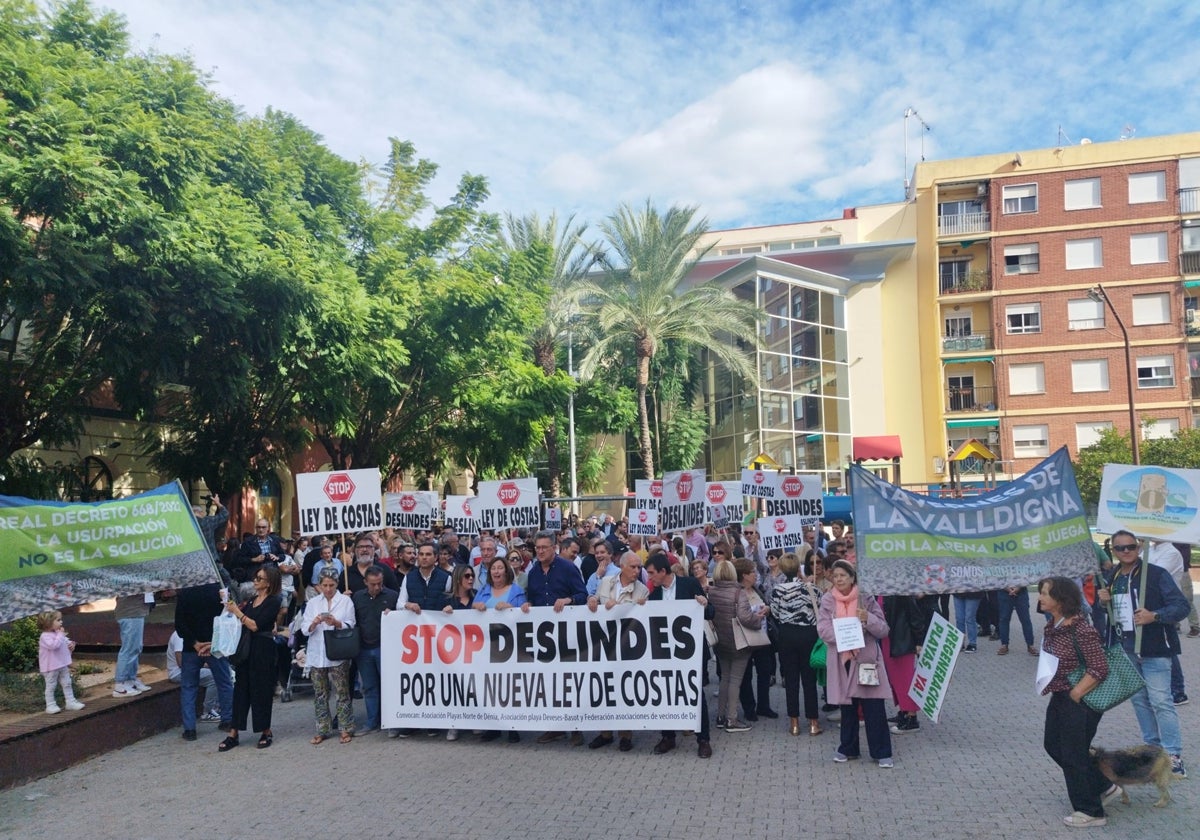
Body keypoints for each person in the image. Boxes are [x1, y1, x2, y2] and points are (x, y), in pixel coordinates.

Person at [1097, 530, 1189, 778]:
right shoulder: (1111, 576)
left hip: (1155, 648)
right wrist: (1101, 601)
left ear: (1138, 547)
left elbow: (1182, 606)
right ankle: (1152, 752)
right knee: (1140, 701)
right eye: (1120, 548)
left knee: (1161, 701)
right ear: (1113, 551)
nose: (1126, 551)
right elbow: (1110, 614)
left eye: (1130, 547)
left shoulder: (1155, 574)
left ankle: (1172, 756)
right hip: (1126, 648)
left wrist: (1154, 616)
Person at [1038, 576, 1119, 828]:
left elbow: (1099, 667)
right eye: (1041, 592)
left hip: (1079, 700)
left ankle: (1090, 811)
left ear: (1062, 600)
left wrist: (1076, 694)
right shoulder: (1054, 625)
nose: (1040, 597)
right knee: (1053, 744)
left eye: (1045, 594)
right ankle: (1103, 786)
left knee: (1073, 754)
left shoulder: (1081, 628)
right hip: (1059, 695)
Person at [817, 560, 894, 768]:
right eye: (836, 575)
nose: (839, 579)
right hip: (842, 661)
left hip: (865, 660)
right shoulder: (827, 600)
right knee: (847, 707)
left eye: (843, 575)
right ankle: (848, 748)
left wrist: (867, 617)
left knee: (873, 707)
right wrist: (842, 635)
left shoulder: (865, 598)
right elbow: (822, 629)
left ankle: (882, 752)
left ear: (852, 578)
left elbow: (883, 629)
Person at [521, 529, 587, 745]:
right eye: (537, 548)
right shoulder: (533, 573)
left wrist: (569, 600)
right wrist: (528, 605)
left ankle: (576, 728)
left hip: (567, 634)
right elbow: (534, 598)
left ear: (554, 548)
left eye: (543, 548)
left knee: (569, 681)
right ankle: (554, 727)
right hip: (544, 637)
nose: (539, 552)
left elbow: (583, 595)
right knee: (548, 682)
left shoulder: (568, 568)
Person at [646, 552, 714, 758]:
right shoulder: (654, 594)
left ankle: (703, 739)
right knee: (665, 692)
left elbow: (711, 613)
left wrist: (703, 602)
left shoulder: (689, 584)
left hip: (690, 652)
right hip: (666, 653)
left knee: (695, 693)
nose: (649, 578)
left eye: (651, 573)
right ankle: (668, 736)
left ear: (663, 571)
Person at [587, 551, 649, 752]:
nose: (637, 571)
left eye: (639, 567)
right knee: (604, 688)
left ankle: (625, 735)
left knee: (624, 689)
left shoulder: (641, 590)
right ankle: (605, 733)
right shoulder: (606, 582)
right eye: (633, 567)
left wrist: (626, 606)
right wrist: (592, 601)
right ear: (622, 566)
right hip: (604, 645)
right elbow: (594, 599)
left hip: (626, 647)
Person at [221, 564, 283, 751]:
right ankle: (234, 731)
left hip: (262, 649)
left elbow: (256, 625)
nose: (255, 581)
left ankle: (265, 729)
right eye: (256, 577)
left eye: (260, 578)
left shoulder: (274, 600)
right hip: (247, 649)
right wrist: (229, 606)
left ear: (269, 582)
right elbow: (241, 622)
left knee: (261, 689)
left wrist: (237, 613)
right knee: (241, 689)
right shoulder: (251, 600)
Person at [174, 576, 236, 741]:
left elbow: (179, 624)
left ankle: (189, 729)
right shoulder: (219, 590)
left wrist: (194, 643)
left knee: (189, 687)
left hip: (190, 648)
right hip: (215, 646)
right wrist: (213, 642)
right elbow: (226, 618)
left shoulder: (184, 593)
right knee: (224, 682)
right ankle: (227, 720)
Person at [769, 552, 822, 736]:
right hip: (808, 634)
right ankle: (814, 722)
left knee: (791, 679)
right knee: (809, 679)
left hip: (787, 634)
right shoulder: (812, 589)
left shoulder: (777, 590)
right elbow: (821, 610)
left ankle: (794, 723)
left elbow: (774, 613)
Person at [303, 568, 357, 744]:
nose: (327, 589)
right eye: (324, 585)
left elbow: (351, 624)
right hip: (317, 653)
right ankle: (322, 728)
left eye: (331, 585)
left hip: (338, 652)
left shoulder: (345, 601)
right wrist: (314, 623)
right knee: (320, 693)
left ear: (337, 584)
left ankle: (346, 727)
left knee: (342, 691)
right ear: (319, 585)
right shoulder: (312, 603)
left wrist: (336, 623)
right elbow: (304, 629)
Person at [708, 559, 761, 734]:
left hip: (720, 642)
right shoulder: (738, 593)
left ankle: (720, 716)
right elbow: (745, 618)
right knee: (735, 681)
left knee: (725, 678)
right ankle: (732, 719)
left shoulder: (712, 591)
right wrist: (758, 617)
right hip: (738, 642)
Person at [352, 565, 398, 735]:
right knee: (370, 687)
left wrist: (394, 614)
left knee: (389, 686)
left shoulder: (392, 596)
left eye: (380, 583)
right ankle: (372, 721)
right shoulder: (357, 597)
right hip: (364, 649)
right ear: (365, 582)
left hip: (385, 649)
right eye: (373, 584)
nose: (377, 587)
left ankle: (392, 721)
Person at [734, 558, 778, 723]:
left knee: (764, 671)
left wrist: (767, 609)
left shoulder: (757, 589)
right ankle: (749, 708)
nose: (755, 575)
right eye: (752, 572)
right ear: (744, 575)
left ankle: (764, 705)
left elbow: (767, 604)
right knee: (746, 675)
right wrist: (754, 616)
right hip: (745, 638)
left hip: (762, 636)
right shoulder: (737, 592)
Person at [882, 594, 927, 734]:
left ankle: (912, 717)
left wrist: (918, 641)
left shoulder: (901, 591)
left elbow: (915, 615)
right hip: (888, 639)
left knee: (905, 679)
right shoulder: (881, 590)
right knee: (895, 679)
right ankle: (903, 710)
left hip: (902, 639)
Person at [167, 630, 219, 721]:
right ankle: (208, 711)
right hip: (178, 673)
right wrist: (206, 665)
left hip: (189, 669)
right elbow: (181, 663)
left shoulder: (191, 633)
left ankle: (219, 707)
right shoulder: (179, 636)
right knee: (213, 677)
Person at [38, 611, 84, 713]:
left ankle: (70, 701)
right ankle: (50, 704)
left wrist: (72, 644)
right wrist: (60, 634)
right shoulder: (45, 636)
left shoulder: (57, 634)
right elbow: (54, 646)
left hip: (62, 664)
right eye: (58, 620)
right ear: (48, 622)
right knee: (51, 685)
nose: (61, 622)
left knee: (67, 683)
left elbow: (65, 642)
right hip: (51, 667)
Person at [112, 593, 151, 698]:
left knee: (136, 647)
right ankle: (120, 685)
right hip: (130, 613)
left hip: (136, 611)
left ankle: (130, 680)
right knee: (129, 648)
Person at [400, 542, 451, 612]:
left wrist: (449, 607)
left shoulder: (446, 578)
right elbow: (399, 604)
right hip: (415, 621)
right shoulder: (408, 578)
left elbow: (451, 602)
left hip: (438, 621)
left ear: (435, 557)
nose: (424, 557)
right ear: (417, 557)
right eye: (421, 554)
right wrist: (408, 605)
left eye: (428, 554)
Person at [996, 584, 1038, 656]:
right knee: (1004, 619)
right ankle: (1004, 645)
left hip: (1021, 591)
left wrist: (1018, 588)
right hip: (1003, 591)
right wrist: (1007, 588)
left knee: (1025, 619)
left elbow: (1025, 576)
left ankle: (1030, 645)